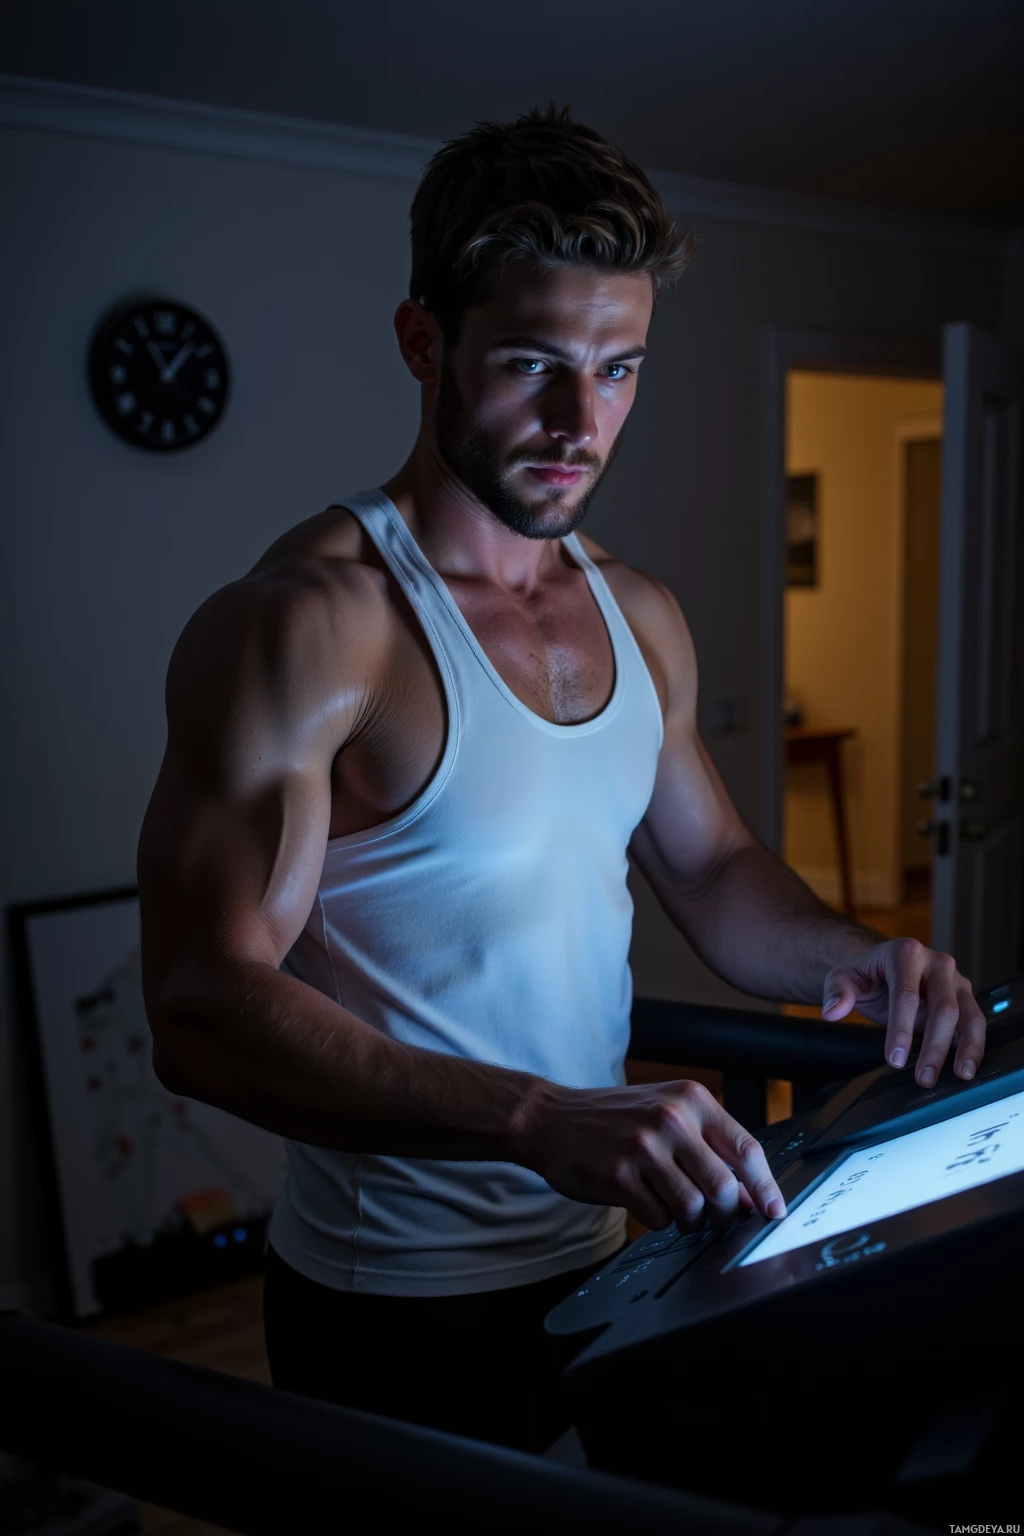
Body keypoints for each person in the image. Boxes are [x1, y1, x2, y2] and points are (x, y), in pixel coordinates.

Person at [138, 104, 986, 1452]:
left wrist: (861, 957)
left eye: (620, 370)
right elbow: (198, 1006)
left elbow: (711, 872)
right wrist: (539, 1116)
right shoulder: (309, 626)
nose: (580, 420)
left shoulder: (635, 610)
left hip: (602, 1249)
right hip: (394, 1298)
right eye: (532, 363)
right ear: (425, 343)